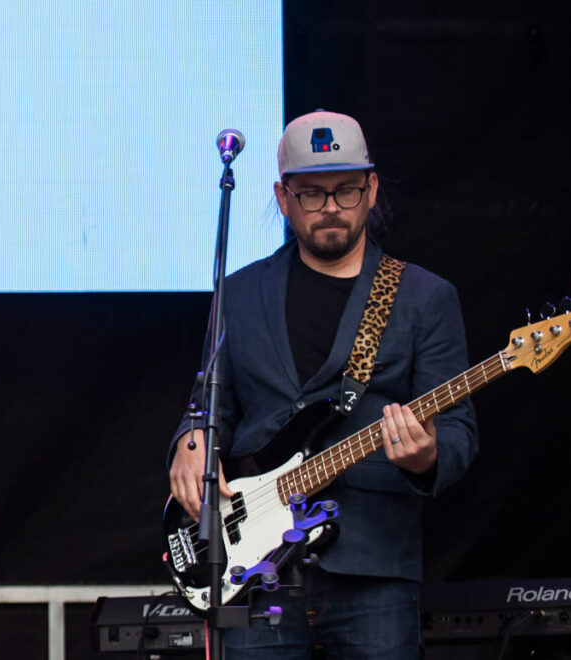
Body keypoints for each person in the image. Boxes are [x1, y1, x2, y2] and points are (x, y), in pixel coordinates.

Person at [167, 110, 477, 658]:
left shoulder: (423, 298)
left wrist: (426, 455)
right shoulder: (238, 294)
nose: (331, 206)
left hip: (373, 569)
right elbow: (208, 406)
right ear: (283, 197)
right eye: (312, 194)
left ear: (372, 188)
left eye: (347, 190)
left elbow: (458, 434)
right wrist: (192, 442)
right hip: (254, 573)